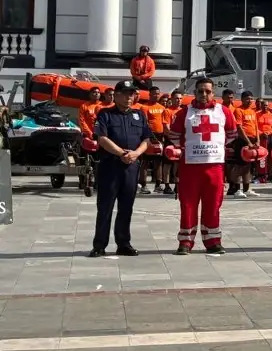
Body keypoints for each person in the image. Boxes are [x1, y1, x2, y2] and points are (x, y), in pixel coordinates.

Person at [167, 77, 237, 255]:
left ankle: (213, 241)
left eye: (207, 91)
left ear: (213, 93)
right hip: (190, 167)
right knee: (188, 204)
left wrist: (214, 148)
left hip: (215, 167)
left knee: (213, 204)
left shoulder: (224, 112)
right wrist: (186, 148)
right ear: (194, 93)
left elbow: (231, 134)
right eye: (200, 91)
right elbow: (174, 135)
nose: (204, 94)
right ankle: (185, 242)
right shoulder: (184, 113)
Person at [89, 80, 154, 258]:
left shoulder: (139, 115)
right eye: (125, 94)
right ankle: (99, 245)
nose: (129, 97)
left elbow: (147, 139)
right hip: (110, 166)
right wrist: (121, 153)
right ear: (116, 95)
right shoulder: (105, 114)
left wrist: (135, 154)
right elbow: (101, 138)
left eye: (131, 94)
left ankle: (123, 243)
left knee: (126, 207)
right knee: (105, 207)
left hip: (131, 167)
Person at [229, 91, 259, 198]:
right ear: (242, 99)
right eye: (247, 98)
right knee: (239, 166)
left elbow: (256, 127)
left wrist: (257, 140)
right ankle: (236, 190)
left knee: (248, 166)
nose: (250, 101)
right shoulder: (238, 110)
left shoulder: (252, 111)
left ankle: (246, 189)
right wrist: (248, 142)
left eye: (251, 98)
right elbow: (239, 127)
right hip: (242, 141)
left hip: (253, 140)